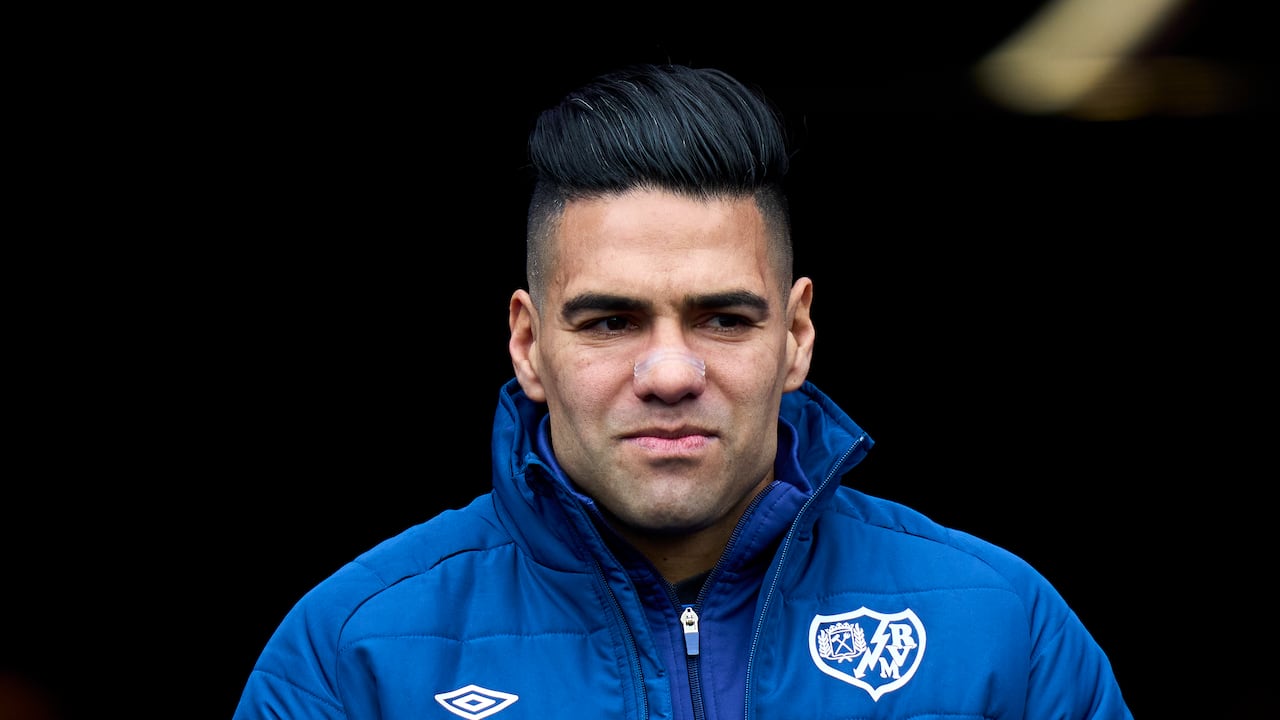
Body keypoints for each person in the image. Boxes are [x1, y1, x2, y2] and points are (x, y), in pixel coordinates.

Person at [233, 63, 1132, 719]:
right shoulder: (352, 654)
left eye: (724, 319)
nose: (669, 373)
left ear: (797, 335)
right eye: (610, 322)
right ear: (528, 343)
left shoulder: (1003, 633)